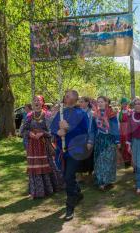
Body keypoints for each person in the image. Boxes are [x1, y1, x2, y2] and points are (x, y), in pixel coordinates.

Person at [50, 90, 89, 221]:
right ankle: (77, 193)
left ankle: (70, 207)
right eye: (65, 96)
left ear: (75, 98)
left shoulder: (82, 113)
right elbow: (53, 128)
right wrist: (58, 131)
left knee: (68, 176)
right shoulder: (61, 113)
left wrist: (68, 128)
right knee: (67, 176)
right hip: (62, 151)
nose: (65, 97)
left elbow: (85, 132)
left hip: (75, 150)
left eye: (68, 95)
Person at [22, 95, 63, 199]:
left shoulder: (47, 115)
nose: (36, 102)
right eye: (34, 100)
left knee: (48, 166)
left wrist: (42, 133)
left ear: (42, 102)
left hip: (44, 146)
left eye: (38, 100)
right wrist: (29, 133)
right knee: (34, 168)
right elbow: (23, 130)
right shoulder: (29, 116)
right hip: (32, 147)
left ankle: (50, 188)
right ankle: (35, 191)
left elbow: (52, 130)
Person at [87, 96, 120, 190]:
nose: (100, 103)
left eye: (102, 102)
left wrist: (117, 140)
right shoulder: (94, 114)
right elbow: (92, 129)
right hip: (99, 139)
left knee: (108, 159)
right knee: (100, 160)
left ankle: (108, 180)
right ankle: (101, 181)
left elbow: (115, 128)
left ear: (106, 102)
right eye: (98, 102)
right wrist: (90, 141)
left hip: (109, 139)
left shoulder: (111, 113)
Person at [77, 97, 94, 176]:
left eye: (82, 102)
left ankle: (90, 172)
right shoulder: (77, 112)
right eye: (79, 102)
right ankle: (80, 174)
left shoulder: (91, 113)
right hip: (79, 136)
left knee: (89, 155)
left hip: (88, 136)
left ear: (87, 103)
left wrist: (90, 139)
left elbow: (91, 126)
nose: (80, 103)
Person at [118, 97, 132, 167]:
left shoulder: (130, 111)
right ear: (121, 104)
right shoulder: (119, 113)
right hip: (121, 131)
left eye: (126, 104)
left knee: (128, 145)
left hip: (128, 130)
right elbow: (118, 123)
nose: (125, 105)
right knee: (123, 145)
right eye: (123, 104)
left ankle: (130, 160)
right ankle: (125, 161)